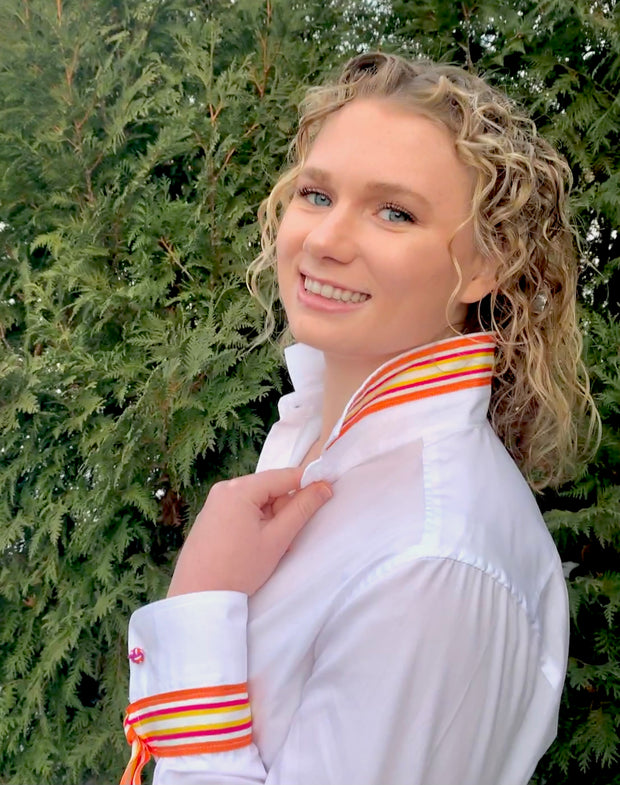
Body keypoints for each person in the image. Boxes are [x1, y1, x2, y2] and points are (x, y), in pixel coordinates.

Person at [120, 52, 599, 785]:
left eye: (394, 212)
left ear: (486, 264)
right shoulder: (318, 435)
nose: (324, 240)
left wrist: (199, 602)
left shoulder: (432, 560)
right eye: (316, 194)